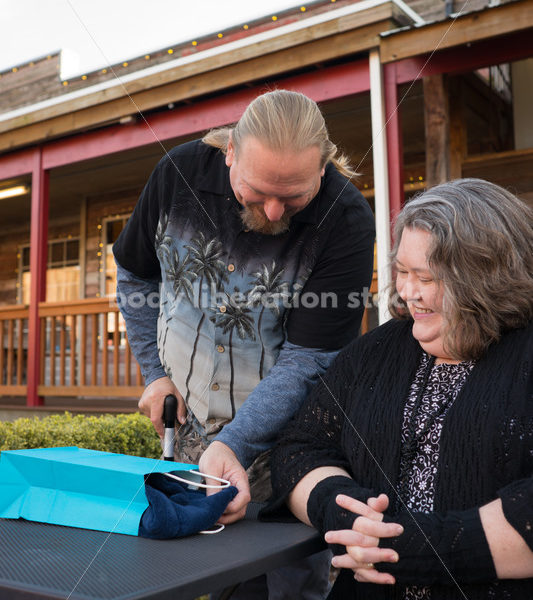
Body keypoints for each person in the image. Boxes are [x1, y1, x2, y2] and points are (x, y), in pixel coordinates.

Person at [113, 89, 375, 599]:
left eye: (294, 195)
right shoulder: (176, 174)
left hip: (290, 451)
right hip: (186, 432)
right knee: (177, 580)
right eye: (257, 191)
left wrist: (233, 443)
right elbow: (134, 273)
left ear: (322, 168)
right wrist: (154, 371)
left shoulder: (345, 220)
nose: (275, 211)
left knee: (282, 590)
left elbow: (310, 359)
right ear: (230, 151)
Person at [267, 178, 533, 599]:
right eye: (403, 271)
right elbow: (300, 446)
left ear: (485, 277)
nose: (407, 292)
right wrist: (344, 512)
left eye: (425, 277)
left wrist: (397, 547)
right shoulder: (379, 349)